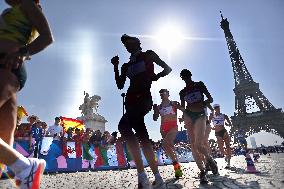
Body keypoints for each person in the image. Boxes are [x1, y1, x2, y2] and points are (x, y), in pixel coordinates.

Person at [0, 0, 53, 188]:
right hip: (9, 68)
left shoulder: (28, 5)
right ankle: (22, 170)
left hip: (8, 65)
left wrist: (22, 52)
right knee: (4, 138)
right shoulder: (8, 11)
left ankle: (24, 166)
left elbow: (47, 37)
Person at [111, 34, 172, 189]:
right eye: (125, 45)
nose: (127, 46)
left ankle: (141, 175)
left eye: (129, 42)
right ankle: (158, 178)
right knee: (143, 139)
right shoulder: (126, 65)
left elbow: (167, 68)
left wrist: (155, 77)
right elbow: (120, 85)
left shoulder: (148, 54)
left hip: (144, 99)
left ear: (137, 42)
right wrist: (116, 66)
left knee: (123, 126)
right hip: (131, 101)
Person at [179, 69, 218, 184]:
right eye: (184, 77)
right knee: (193, 145)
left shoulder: (199, 85)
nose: (186, 78)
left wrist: (203, 103)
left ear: (191, 75)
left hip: (200, 114)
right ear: (182, 78)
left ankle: (209, 159)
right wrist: (179, 110)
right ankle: (202, 171)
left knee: (198, 144)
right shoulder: (182, 92)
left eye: (187, 76)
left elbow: (210, 99)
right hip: (189, 116)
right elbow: (183, 108)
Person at [153, 89, 183, 179]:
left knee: (165, 145)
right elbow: (155, 119)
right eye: (160, 93)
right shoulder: (159, 106)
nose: (162, 94)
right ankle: (178, 170)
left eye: (164, 92)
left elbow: (183, 110)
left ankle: (176, 165)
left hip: (173, 127)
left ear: (168, 94)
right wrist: (155, 111)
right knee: (170, 148)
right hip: (163, 129)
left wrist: (184, 118)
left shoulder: (173, 103)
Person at [209, 104, 232, 168]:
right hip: (217, 133)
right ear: (214, 109)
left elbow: (230, 124)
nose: (217, 109)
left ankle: (228, 162)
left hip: (224, 131)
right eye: (215, 108)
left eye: (218, 107)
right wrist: (212, 128)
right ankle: (227, 156)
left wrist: (228, 124)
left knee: (228, 146)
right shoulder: (212, 116)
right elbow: (208, 123)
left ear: (219, 108)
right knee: (221, 149)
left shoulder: (224, 116)